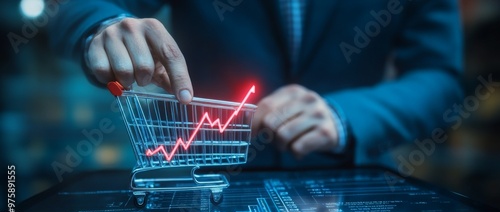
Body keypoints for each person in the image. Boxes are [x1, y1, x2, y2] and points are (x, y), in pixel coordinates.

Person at [49, 0, 463, 169]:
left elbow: (439, 77)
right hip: (206, 191)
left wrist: (346, 116)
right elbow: (78, 6)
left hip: (351, 188)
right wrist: (102, 28)